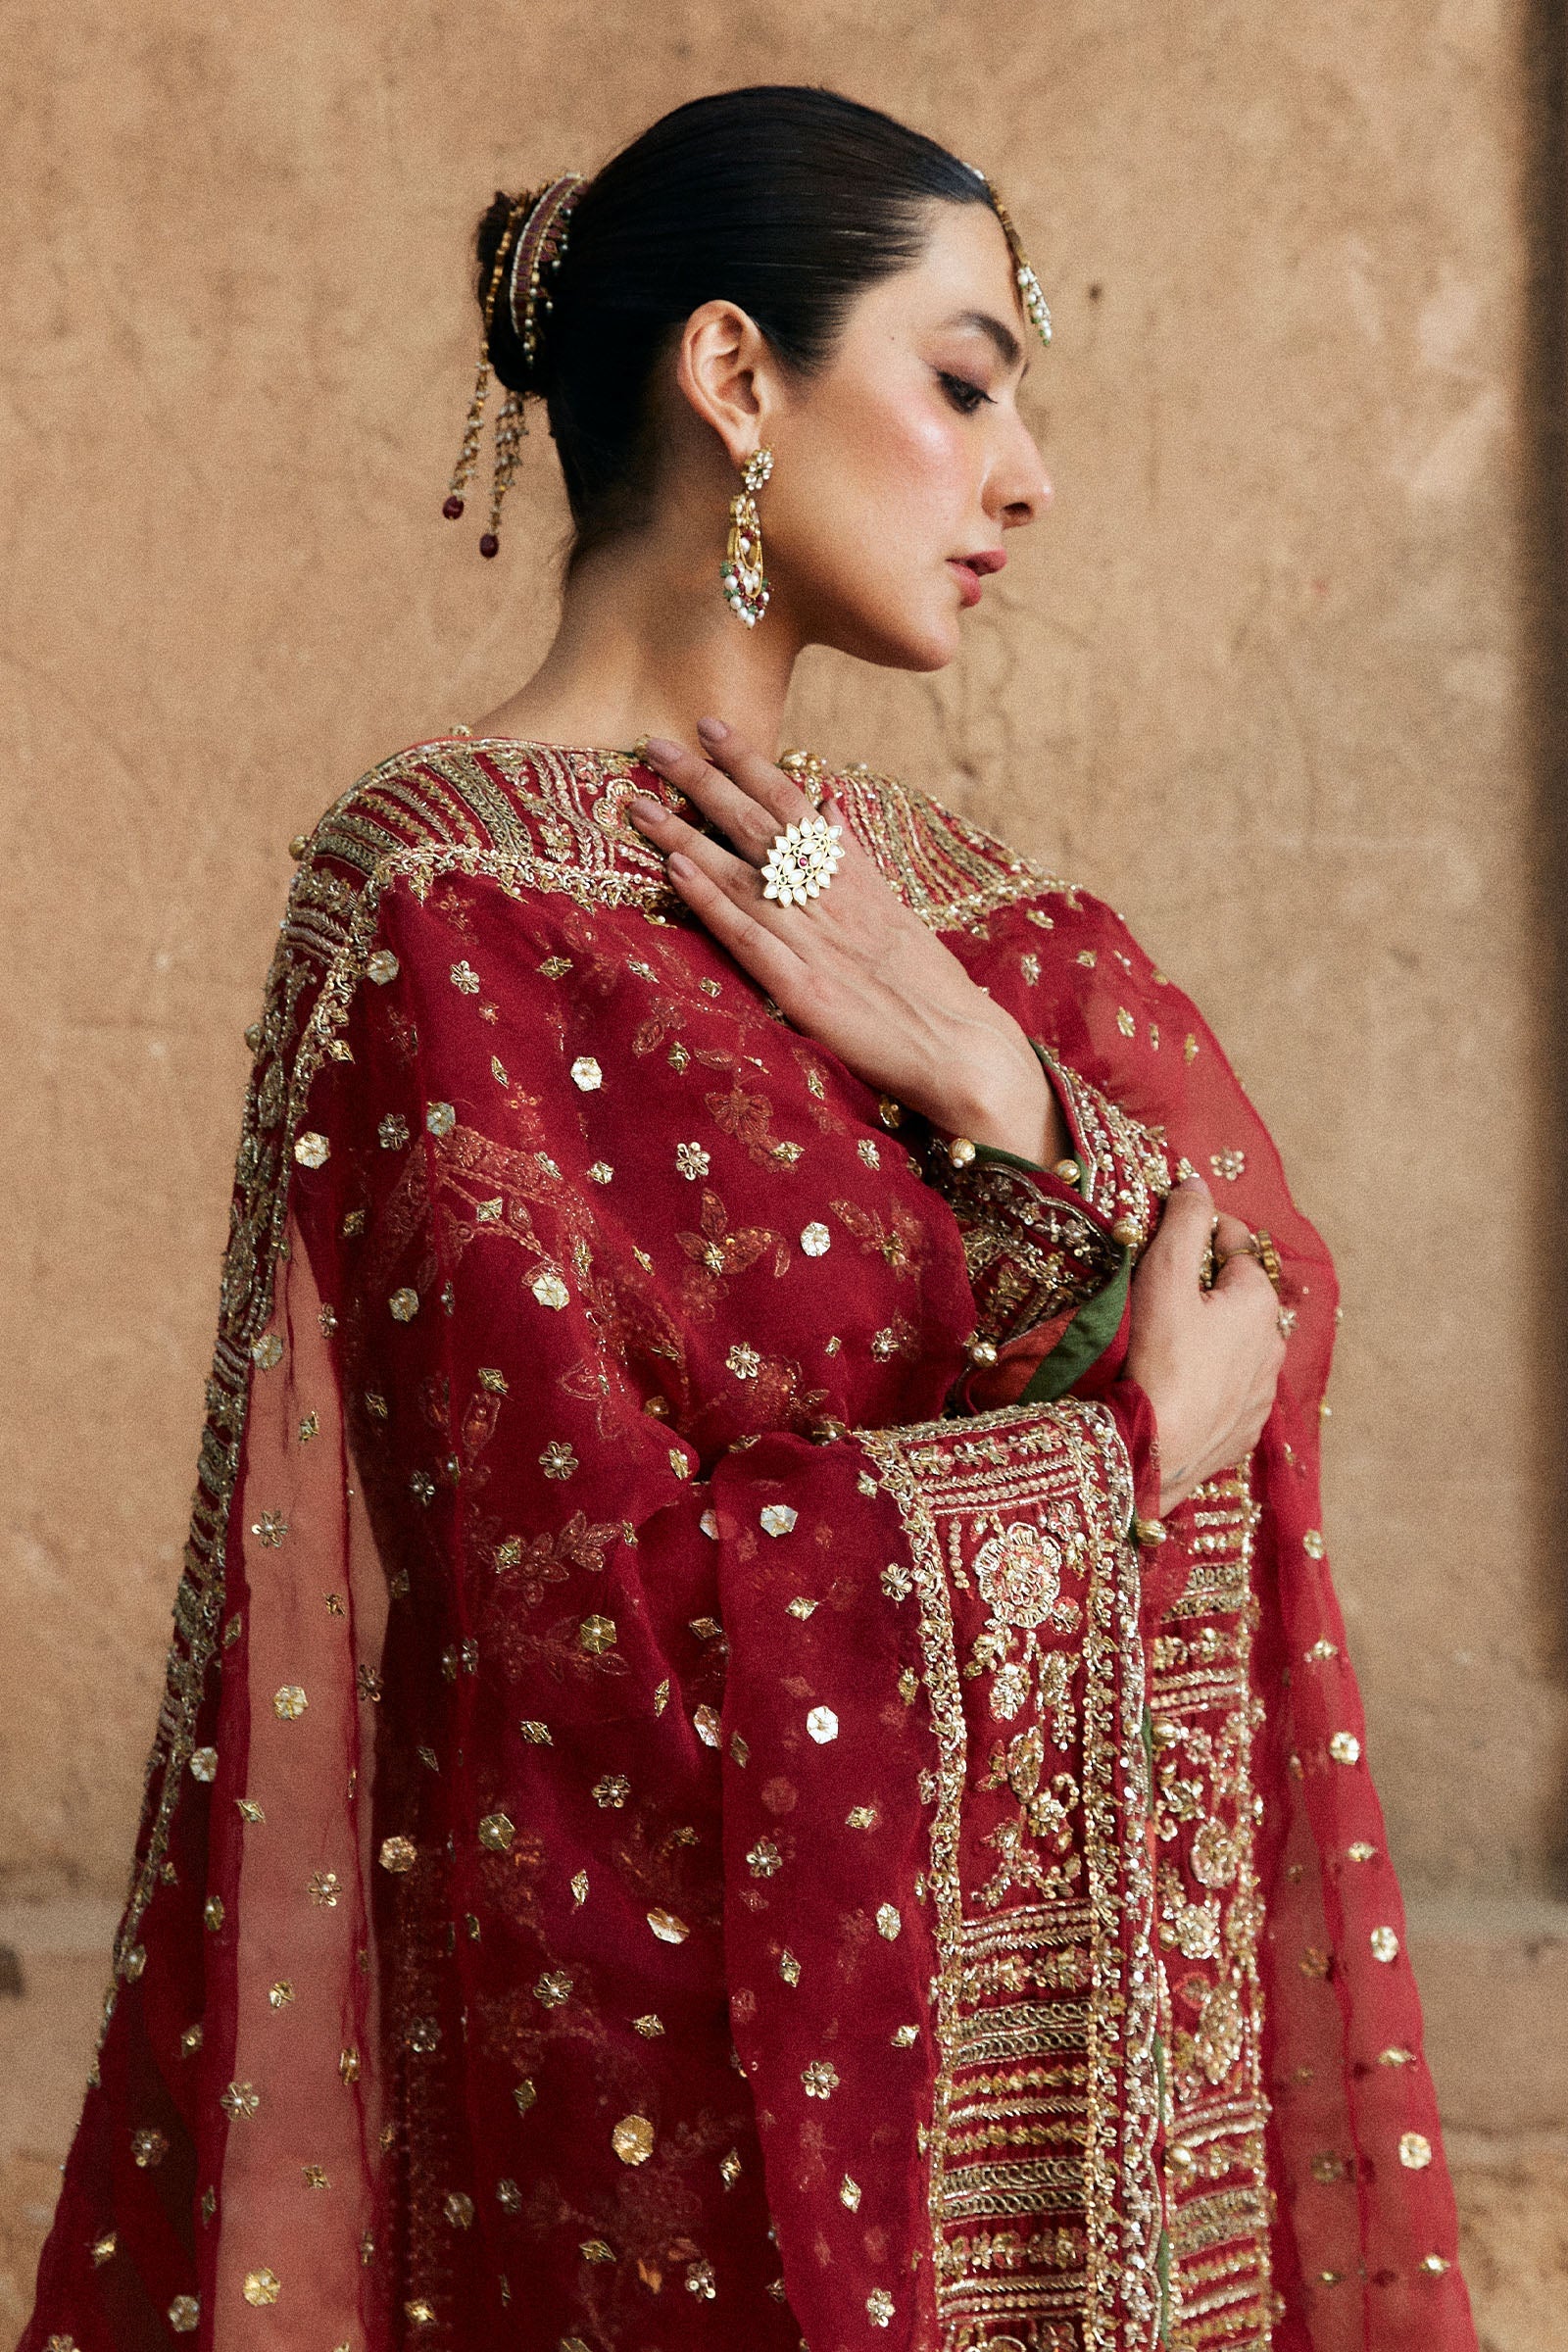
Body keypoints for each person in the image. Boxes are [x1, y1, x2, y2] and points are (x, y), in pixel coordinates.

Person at [24, 84, 1474, 2352]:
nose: (1024, 475)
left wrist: (990, 1085)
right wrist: (1107, 1464)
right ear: (731, 374)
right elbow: (574, 1623)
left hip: (1089, 2151)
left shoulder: (976, 930)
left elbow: (1254, 1325)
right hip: (685, 2163)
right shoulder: (442, 921)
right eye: (963, 383)